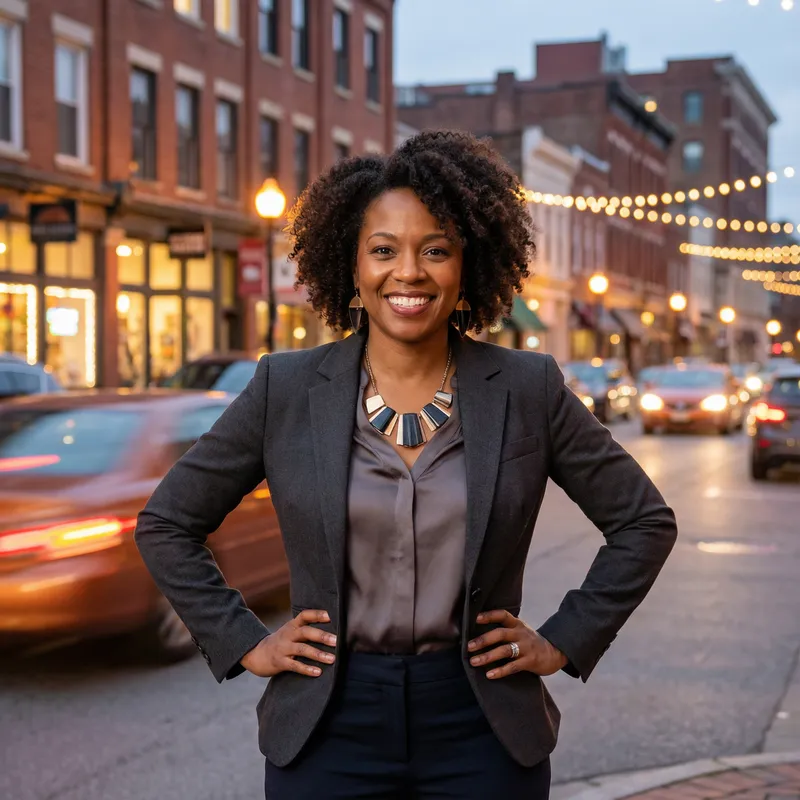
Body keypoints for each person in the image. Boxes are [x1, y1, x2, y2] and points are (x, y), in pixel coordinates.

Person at [135, 130, 678, 799]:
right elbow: (167, 522)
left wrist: (564, 640)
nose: (410, 272)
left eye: (436, 250)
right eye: (384, 249)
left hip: (481, 720)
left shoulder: (527, 389)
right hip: (328, 720)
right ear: (352, 267)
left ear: (467, 269)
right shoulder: (287, 389)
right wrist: (245, 641)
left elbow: (643, 522)